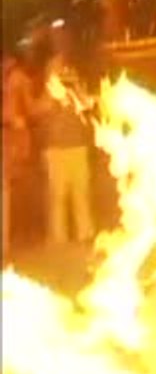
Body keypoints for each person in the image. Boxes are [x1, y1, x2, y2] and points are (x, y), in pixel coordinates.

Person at [32, 42, 95, 246]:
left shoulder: (77, 88)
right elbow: (37, 111)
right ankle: (58, 239)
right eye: (56, 69)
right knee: (57, 197)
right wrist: (52, 100)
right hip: (56, 150)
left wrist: (78, 94)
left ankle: (84, 234)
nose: (61, 72)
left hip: (77, 146)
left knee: (81, 193)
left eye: (64, 69)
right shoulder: (47, 94)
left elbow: (88, 106)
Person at [2, 49, 38, 262]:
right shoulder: (13, 80)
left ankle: (10, 242)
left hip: (13, 145)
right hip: (10, 144)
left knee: (12, 193)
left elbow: (29, 109)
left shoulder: (17, 79)